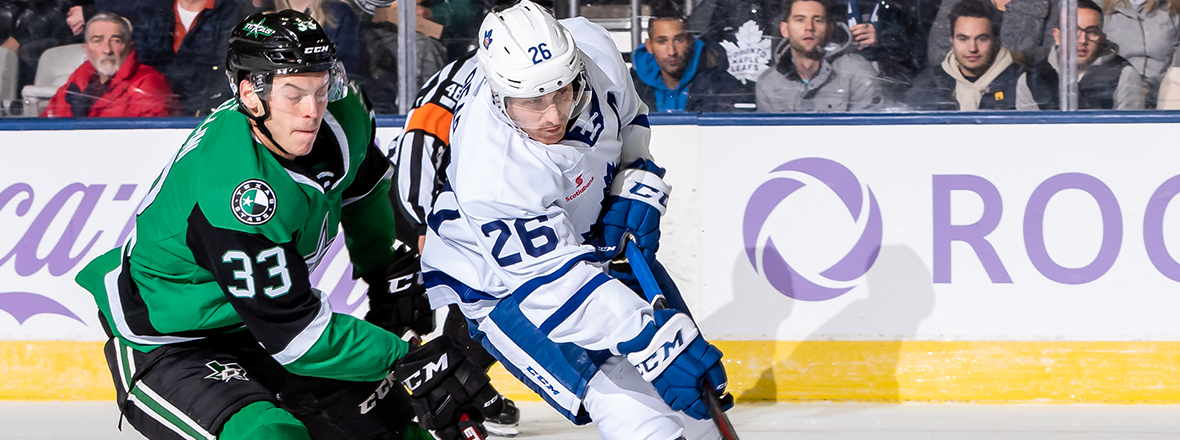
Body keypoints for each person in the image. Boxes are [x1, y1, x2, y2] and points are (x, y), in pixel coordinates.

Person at [72, 11, 487, 440]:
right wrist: (408, 358)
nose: (313, 110)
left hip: (259, 324)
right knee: (270, 435)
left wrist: (383, 269)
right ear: (252, 95)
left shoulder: (343, 112)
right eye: (294, 94)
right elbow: (298, 338)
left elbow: (361, 191)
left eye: (320, 88)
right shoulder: (235, 190)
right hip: (173, 339)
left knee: (399, 432)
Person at [419, 2, 732, 439]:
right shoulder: (490, 167)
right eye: (532, 102)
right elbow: (551, 286)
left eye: (563, 92)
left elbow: (629, 120)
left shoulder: (593, 46)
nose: (553, 116)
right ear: (497, 94)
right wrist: (650, 342)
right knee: (632, 404)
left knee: (693, 395)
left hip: (587, 238)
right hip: (504, 282)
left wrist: (633, 177)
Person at [121, 0, 256, 117]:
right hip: (154, 111)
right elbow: (141, 66)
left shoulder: (235, 13)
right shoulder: (151, 11)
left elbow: (229, 70)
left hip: (207, 114)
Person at [756, 0, 884, 112]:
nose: (809, 27)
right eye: (800, 20)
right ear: (785, 29)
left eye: (818, 20)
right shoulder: (768, 84)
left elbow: (867, 133)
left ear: (829, 30)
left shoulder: (858, 73)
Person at [1016, 0, 1145, 110]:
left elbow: (1129, 131)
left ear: (1102, 38)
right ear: (1057, 36)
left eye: (1092, 32)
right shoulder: (1031, 79)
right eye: (1073, 31)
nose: (1082, 40)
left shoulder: (1124, 75)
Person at [42, 13, 174, 117]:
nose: (107, 50)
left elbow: (143, 142)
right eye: (97, 41)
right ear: (85, 49)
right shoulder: (74, 85)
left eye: (116, 41)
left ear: (130, 47)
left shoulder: (148, 83)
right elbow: (44, 132)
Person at [905, 0, 1026, 110]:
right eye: (963, 39)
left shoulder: (1021, 82)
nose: (972, 48)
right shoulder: (927, 85)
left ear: (996, 42)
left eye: (981, 39)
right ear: (951, 41)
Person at [631, 14, 753, 112]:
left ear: (690, 41)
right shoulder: (630, 87)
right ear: (649, 46)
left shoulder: (720, 85)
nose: (671, 51)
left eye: (679, 40)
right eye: (662, 42)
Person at [927, 0, 1058, 68]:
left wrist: (1022, 58)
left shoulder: (1050, 3)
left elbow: (1054, 50)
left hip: (1022, 89)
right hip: (956, 87)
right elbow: (938, 52)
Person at [1101, 0, 1180, 107]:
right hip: (1117, 93)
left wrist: (1151, 85)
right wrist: (1131, 86)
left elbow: (1177, 68)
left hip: (1167, 94)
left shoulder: (1174, 10)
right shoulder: (1100, 10)